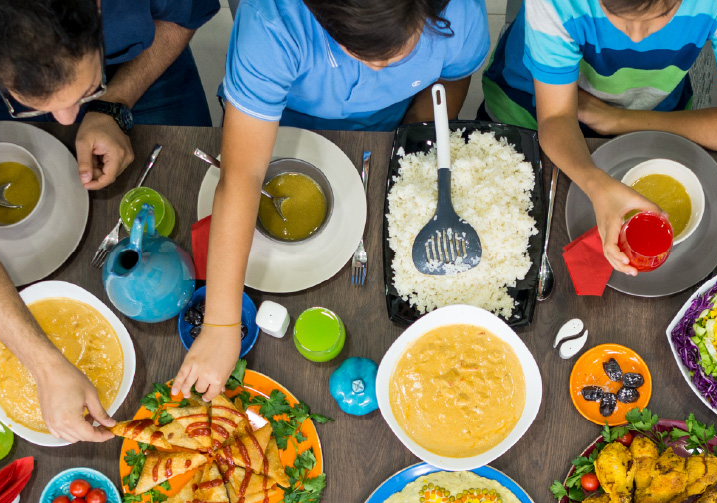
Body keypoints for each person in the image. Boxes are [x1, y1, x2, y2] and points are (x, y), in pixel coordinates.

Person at [0, 0, 219, 440]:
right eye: (40, 106)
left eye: (80, 97)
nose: (65, 120)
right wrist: (43, 364)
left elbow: (180, 17)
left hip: (133, 68)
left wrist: (112, 102)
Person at [173, 0, 490, 396]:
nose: (376, 68)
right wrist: (220, 324)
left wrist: (410, 142)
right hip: (267, 126)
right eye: (356, 51)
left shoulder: (459, 13)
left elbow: (454, 76)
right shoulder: (273, 19)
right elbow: (242, 175)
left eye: (397, 51)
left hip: (383, 134)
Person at [481, 0, 717, 275]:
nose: (636, 36)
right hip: (528, 110)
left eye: (660, 14)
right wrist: (596, 185)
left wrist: (614, 120)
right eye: (613, 12)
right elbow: (555, 118)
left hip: (648, 110)